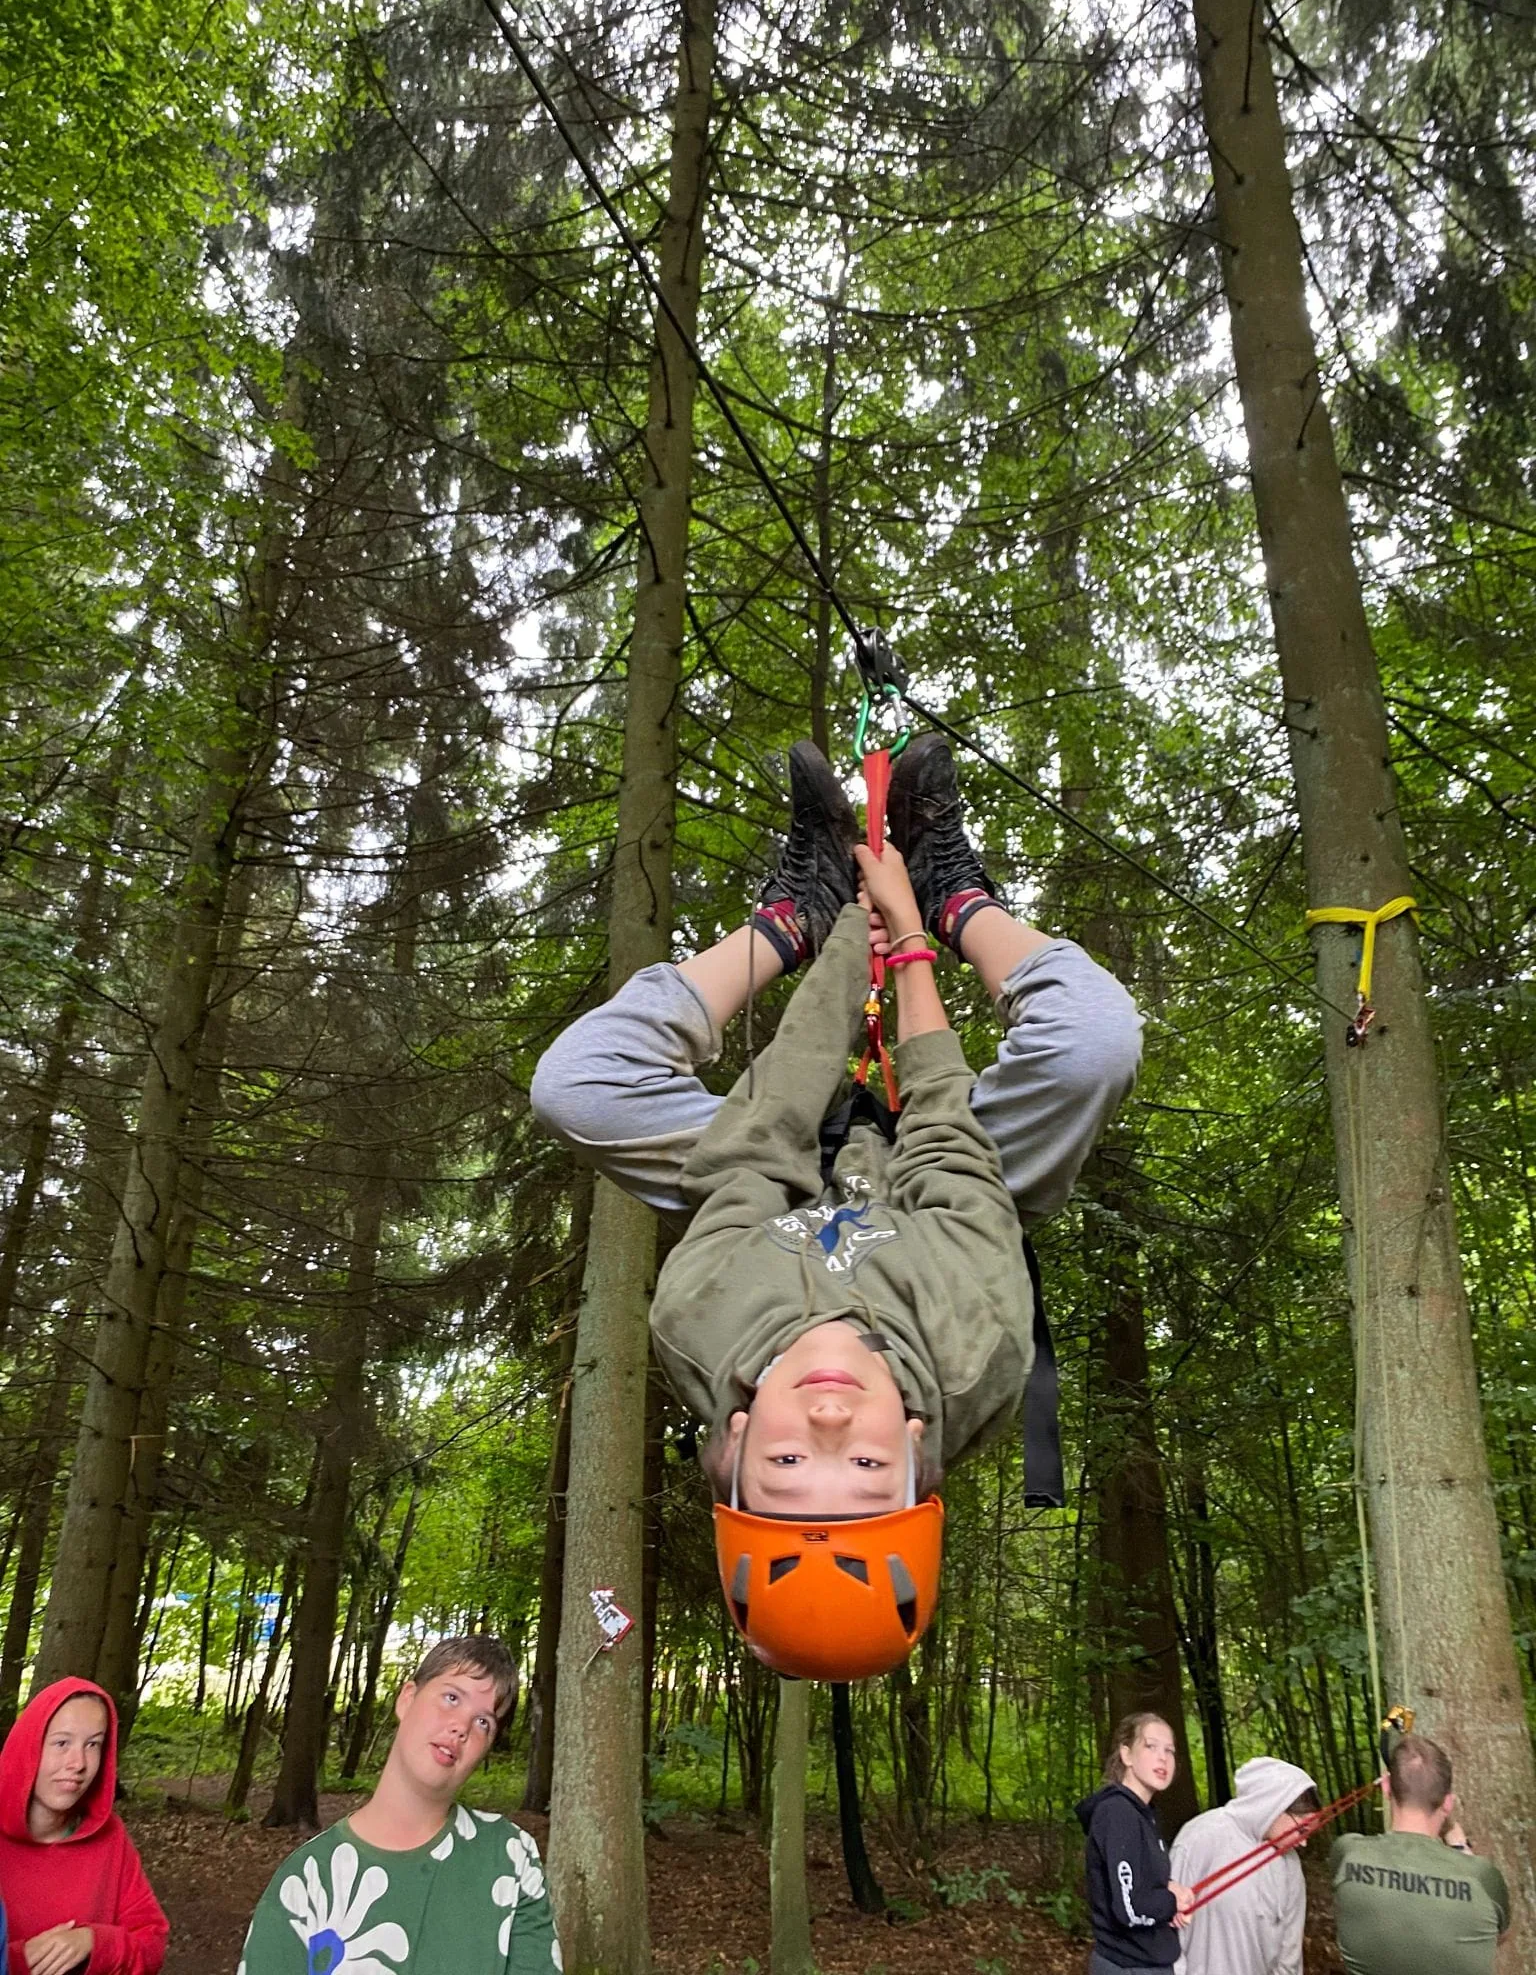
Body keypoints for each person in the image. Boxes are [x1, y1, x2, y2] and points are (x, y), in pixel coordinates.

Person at [532, 737, 1142, 1678]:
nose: (826, 1434)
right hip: (945, 1180)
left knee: (575, 1087)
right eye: (862, 1474)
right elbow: (945, 1137)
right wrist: (904, 937)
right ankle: (959, 898)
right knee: (1095, 1041)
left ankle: (787, 914)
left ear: (735, 1443)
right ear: (912, 1449)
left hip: (789, 1151)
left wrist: (834, 934)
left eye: (784, 1473)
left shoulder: (699, 1323)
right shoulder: (975, 1344)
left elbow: (759, 1141)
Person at [240, 1636, 559, 1975]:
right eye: (451, 1698)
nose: (461, 1727)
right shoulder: (307, 1880)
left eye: (483, 1722)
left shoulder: (508, 1855)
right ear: (407, 1699)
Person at [0, 1676, 168, 1975]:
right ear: (28, 1746)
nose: (78, 1763)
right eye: (61, 1743)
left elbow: (151, 1944)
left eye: (93, 1744)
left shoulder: (111, 1838)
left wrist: (93, 1941)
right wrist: (15, 1960)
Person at [1332, 1732, 1509, 1975]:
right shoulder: (1482, 1876)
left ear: (1385, 1787)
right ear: (1448, 1803)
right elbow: (1499, 1935)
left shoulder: (1347, 1851)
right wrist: (1460, 1848)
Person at [1169, 1756, 1320, 1975]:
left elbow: (1290, 1954)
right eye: (1302, 1830)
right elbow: (1170, 1935)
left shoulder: (1290, 1865)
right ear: (1275, 1806)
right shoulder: (1200, 1837)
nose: (1304, 1842)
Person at [1076, 1712, 1194, 1972]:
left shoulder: (1144, 1814)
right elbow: (1130, 1908)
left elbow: (1141, 1882)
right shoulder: (1118, 1813)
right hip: (1128, 1966)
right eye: (1150, 1746)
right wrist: (1171, 1902)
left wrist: (1170, 1890)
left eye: (1170, 1750)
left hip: (1148, 1960)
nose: (1163, 1757)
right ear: (1126, 1755)